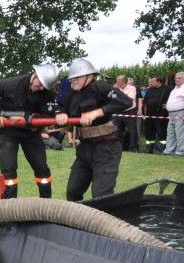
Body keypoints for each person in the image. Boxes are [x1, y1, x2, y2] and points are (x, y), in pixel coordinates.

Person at [54, 58, 132, 201]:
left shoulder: (100, 87)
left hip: (106, 148)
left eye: (77, 77)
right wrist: (62, 118)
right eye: (71, 78)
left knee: (101, 196)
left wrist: (97, 112)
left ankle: (103, 223)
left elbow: (126, 102)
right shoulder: (71, 94)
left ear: (89, 77)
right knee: (72, 192)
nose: (73, 81)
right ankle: (77, 222)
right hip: (84, 149)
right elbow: (64, 115)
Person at [0, 63, 60, 199]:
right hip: (9, 133)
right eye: (39, 84)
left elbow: (49, 115)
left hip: (32, 134)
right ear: (35, 75)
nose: (40, 88)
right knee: (8, 170)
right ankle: (10, 212)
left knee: (41, 168)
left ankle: (46, 207)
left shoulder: (48, 94)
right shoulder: (10, 84)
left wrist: (26, 117)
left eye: (44, 87)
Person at [162, 71, 184, 156]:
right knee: (170, 133)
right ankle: (169, 150)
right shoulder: (176, 88)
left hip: (182, 112)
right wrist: (169, 110)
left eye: (179, 78)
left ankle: (180, 151)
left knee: (181, 133)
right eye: (176, 78)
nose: (177, 79)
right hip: (172, 113)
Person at [141, 75, 171, 153]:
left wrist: (168, 110)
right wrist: (145, 114)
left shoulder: (168, 89)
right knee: (148, 131)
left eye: (152, 81)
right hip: (150, 114)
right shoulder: (149, 90)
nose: (150, 83)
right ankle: (149, 148)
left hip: (162, 114)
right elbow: (145, 103)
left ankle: (161, 148)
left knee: (161, 131)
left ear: (158, 82)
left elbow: (172, 100)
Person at [113, 75, 138, 152]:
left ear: (123, 81)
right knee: (117, 131)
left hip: (130, 111)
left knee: (132, 131)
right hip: (118, 111)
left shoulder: (132, 88)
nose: (116, 82)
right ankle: (119, 148)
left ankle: (134, 148)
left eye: (118, 80)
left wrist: (119, 96)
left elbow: (129, 99)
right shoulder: (116, 89)